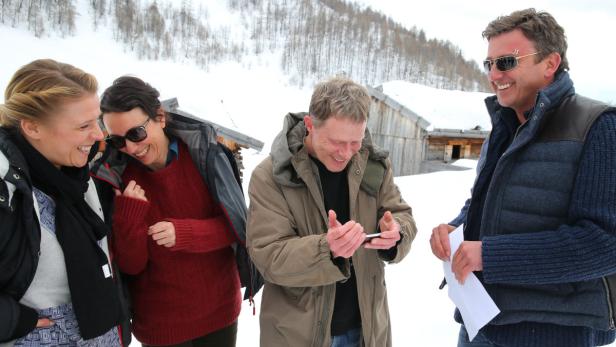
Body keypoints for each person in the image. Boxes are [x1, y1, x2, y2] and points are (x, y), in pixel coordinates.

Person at [429, 8, 616, 347]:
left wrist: (489, 255)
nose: (494, 74)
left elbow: (604, 243)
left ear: (550, 63)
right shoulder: (503, 127)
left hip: (553, 332)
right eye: (489, 64)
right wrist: (456, 228)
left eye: (507, 62)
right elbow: (485, 204)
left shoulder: (598, 127)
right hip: (481, 323)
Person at [246, 76, 417, 347]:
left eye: (355, 143)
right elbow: (269, 256)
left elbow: (401, 215)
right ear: (310, 125)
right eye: (336, 142)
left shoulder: (374, 164)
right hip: (298, 336)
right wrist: (328, 249)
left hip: (368, 331)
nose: (346, 153)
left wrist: (396, 233)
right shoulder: (272, 176)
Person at [91, 76, 261, 347]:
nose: (131, 148)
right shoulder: (117, 179)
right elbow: (131, 266)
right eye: (118, 141)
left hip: (219, 312)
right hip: (161, 325)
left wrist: (184, 233)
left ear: (159, 117)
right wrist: (129, 215)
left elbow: (239, 227)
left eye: (136, 133)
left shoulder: (206, 157)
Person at [0, 59, 130, 346]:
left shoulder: (76, 177)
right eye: (84, 125)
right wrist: (12, 320)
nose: (99, 135)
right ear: (33, 127)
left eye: (97, 120)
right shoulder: (7, 191)